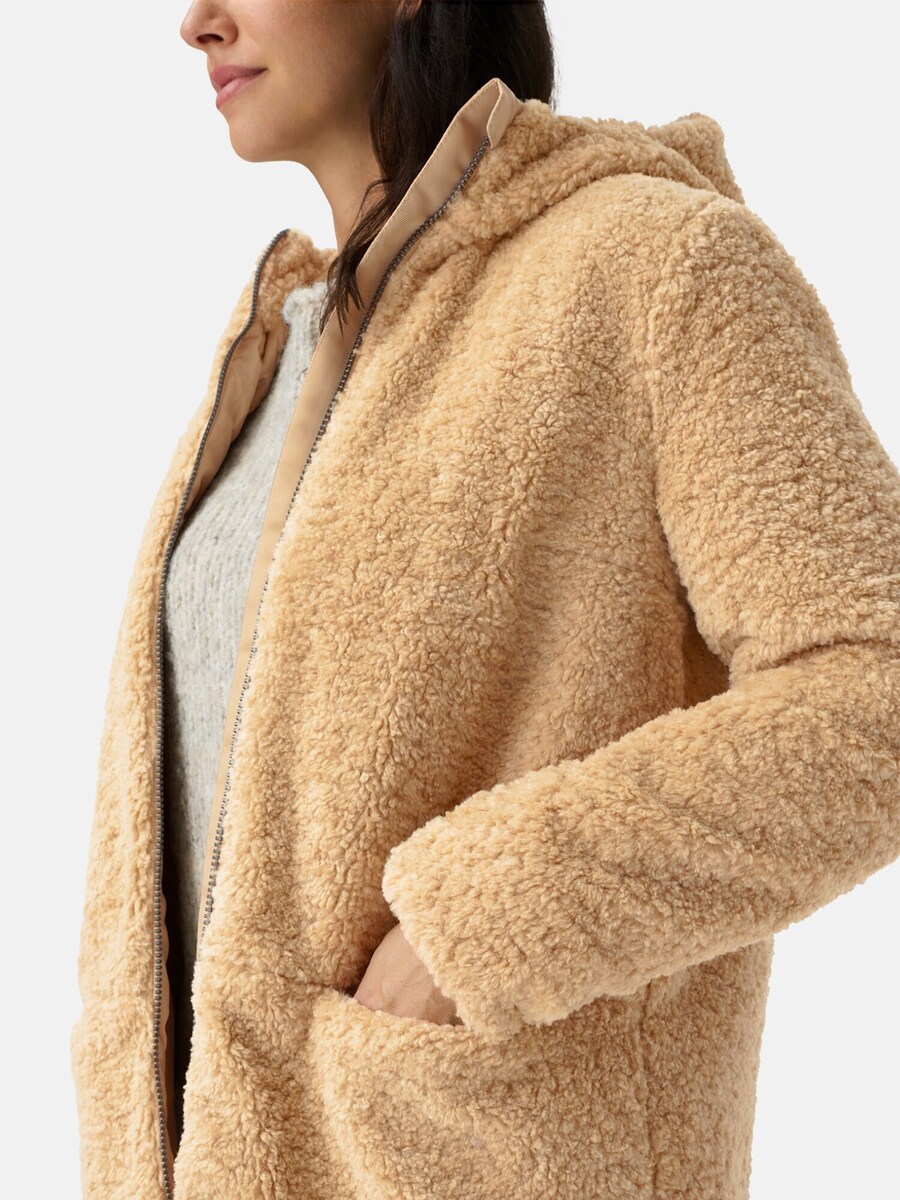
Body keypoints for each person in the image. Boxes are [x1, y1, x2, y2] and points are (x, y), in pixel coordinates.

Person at [70, 2, 900, 1198]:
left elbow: (874, 684)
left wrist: (482, 922)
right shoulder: (272, 353)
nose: (197, 23)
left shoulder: (654, 265)